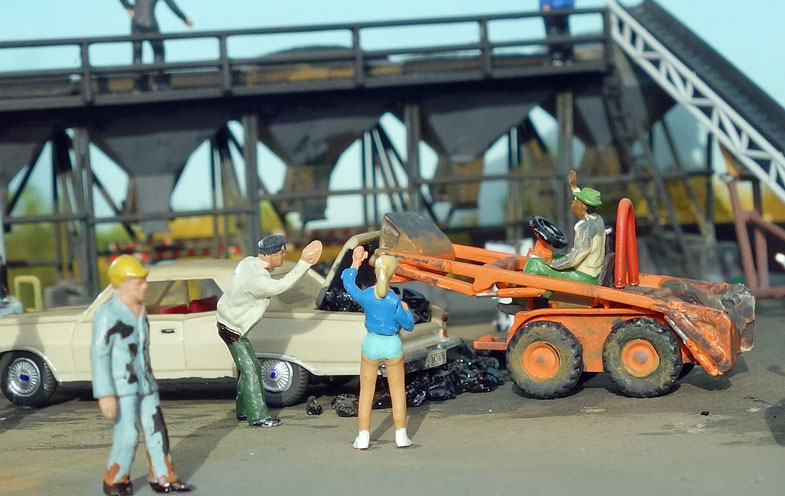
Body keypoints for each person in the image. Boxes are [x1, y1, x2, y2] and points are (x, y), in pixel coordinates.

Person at [91, 254, 193, 495]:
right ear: (121, 285)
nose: (145, 287)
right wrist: (105, 394)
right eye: (138, 283)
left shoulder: (141, 311)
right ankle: (116, 479)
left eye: (144, 281)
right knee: (127, 435)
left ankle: (163, 476)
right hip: (122, 386)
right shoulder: (107, 313)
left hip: (145, 383)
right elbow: (99, 354)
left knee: (157, 429)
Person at [216, 235, 322, 427]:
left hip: (227, 322)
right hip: (232, 330)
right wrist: (304, 263)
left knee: (247, 368)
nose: (283, 255)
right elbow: (281, 286)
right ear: (272, 254)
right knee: (252, 369)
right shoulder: (259, 280)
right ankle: (258, 417)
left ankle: (244, 410)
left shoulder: (248, 262)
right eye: (282, 252)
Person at [341, 247, 415, 449]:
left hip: (371, 344)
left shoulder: (366, 295)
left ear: (375, 272)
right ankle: (401, 436)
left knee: (366, 392)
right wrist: (407, 310)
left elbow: (348, 285)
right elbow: (408, 325)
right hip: (392, 345)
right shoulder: (395, 301)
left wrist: (356, 262)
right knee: (397, 392)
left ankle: (363, 437)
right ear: (392, 275)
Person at [524, 170, 606, 284]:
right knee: (558, 256)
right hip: (593, 271)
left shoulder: (585, 227)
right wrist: (573, 187)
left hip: (584, 276)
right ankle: (544, 293)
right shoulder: (597, 220)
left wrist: (552, 263)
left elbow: (576, 257)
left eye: (576, 202)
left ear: (583, 206)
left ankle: (521, 295)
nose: (573, 203)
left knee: (535, 264)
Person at [119, 0, 193, 90]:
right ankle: (158, 82)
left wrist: (129, 7)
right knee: (159, 51)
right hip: (150, 23)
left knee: (137, 53)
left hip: (136, 22)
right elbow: (172, 5)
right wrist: (184, 18)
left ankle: (138, 85)